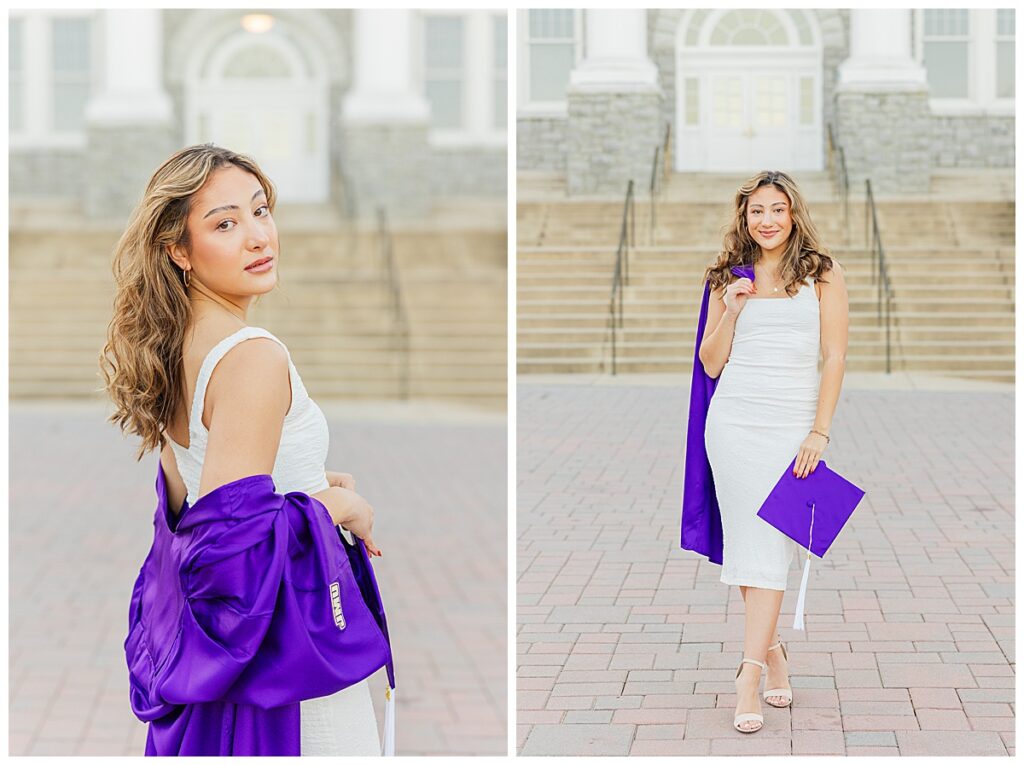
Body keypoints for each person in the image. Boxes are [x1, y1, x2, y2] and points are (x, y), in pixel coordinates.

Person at [100, 144, 386, 755]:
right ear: (178, 249)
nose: (258, 237)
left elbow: (194, 504)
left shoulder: (179, 347)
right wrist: (339, 507)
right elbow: (232, 546)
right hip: (288, 669)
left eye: (261, 211)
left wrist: (310, 474)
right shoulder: (251, 355)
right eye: (225, 223)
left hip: (233, 660)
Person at [681, 170, 849, 734]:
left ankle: (757, 664)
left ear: (793, 213)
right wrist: (730, 307)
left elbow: (835, 358)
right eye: (757, 211)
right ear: (744, 218)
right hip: (733, 426)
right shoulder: (727, 275)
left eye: (777, 209)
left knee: (771, 550)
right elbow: (709, 363)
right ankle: (758, 667)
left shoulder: (823, 274)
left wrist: (819, 432)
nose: (767, 220)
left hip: (792, 428)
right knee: (756, 550)